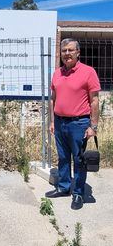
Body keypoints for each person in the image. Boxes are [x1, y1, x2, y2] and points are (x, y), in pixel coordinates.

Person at [46, 38, 100, 210]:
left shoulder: (88, 72)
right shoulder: (57, 73)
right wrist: (52, 121)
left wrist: (93, 126)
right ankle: (63, 187)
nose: (67, 54)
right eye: (64, 51)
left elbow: (95, 101)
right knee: (62, 158)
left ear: (78, 53)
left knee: (78, 160)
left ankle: (77, 193)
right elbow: (53, 100)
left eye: (70, 50)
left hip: (79, 123)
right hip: (60, 123)